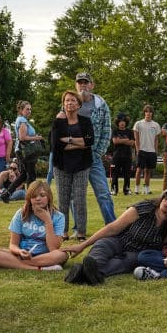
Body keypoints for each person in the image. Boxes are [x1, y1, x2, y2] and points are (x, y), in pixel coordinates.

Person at [65, 186, 167, 284]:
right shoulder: (145, 207)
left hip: (137, 253)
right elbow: (113, 228)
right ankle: (91, 272)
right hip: (120, 241)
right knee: (102, 245)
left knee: (123, 263)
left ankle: (83, 273)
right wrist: (82, 245)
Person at [0, 180, 69, 271]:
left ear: (49, 197)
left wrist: (47, 221)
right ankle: (40, 268)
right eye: (34, 196)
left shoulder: (59, 217)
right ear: (29, 199)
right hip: (22, 255)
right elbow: (13, 245)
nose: (38, 199)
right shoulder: (21, 214)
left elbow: (53, 248)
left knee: (62, 255)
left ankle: (8, 263)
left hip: (45, 256)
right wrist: (19, 251)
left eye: (42, 195)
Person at [51, 90, 94, 241]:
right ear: (63, 104)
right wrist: (78, 142)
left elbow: (89, 142)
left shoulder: (85, 121)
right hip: (61, 165)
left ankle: (81, 232)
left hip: (82, 165)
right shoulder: (58, 122)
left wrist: (68, 140)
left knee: (80, 199)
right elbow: (55, 145)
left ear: (79, 104)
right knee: (63, 200)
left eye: (73, 100)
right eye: (67, 100)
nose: (70, 103)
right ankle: (63, 232)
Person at [73, 72, 116, 225]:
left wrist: (98, 153)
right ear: (76, 85)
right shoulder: (69, 102)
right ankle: (78, 228)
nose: (83, 85)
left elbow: (106, 130)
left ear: (92, 85)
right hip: (74, 157)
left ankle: (112, 225)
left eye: (86, 82)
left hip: (93, 157)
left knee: (103, 193)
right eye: (80, 82)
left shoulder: (101, 104)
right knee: (75, 195)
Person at [14, 100, 45, 187]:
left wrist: (35, 136)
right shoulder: (22, 120)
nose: (29, 111)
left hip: (25, 150)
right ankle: (30, 196)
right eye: (27, 109)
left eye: (30, 109)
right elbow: (22, 138)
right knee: (31, 175)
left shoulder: (24, 120)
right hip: (24, 151)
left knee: (26, 175)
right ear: (21, 110)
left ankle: (7, 193)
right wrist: (36, 138)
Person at [133, 104, 162, 195]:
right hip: (141, 150)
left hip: (151, 151)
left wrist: (156, 150)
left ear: (152, 113)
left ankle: (146, 189)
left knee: (148, 170)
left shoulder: (156, 125)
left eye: (150, 112)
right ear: (144, 113)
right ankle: (137, 188)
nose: (148, 113)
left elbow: (156, 139)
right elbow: (136, 138)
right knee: (139, 170)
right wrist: (138, 149)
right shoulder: (138, 124)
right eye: (146, 111)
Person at [109, 112, 136, 196]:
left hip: (127, 156)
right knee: (115, 174)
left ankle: (127, 189)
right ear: (118, 122)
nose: (122, 123)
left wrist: (121, 140)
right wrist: (125, 140)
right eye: (120, 121)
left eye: (124, 121)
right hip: (117, 156)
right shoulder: (115, 131)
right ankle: (114, 189)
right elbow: (115, 141)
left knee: (127, 174)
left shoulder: (130, 131)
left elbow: (132, 143)